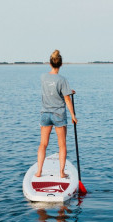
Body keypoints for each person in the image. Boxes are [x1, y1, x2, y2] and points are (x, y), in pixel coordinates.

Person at [35, 50, 78, 178]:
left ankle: (38, 172)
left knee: (43, 144)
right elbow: (67, 99)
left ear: (50, 63)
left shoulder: (43, 77)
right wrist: (73, 116)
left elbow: (51, 89)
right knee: (62, 145)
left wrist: (68, 90)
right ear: (61, 64)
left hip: (45, 114)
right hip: (59, 115)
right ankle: (61, 173)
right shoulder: (63, 80)